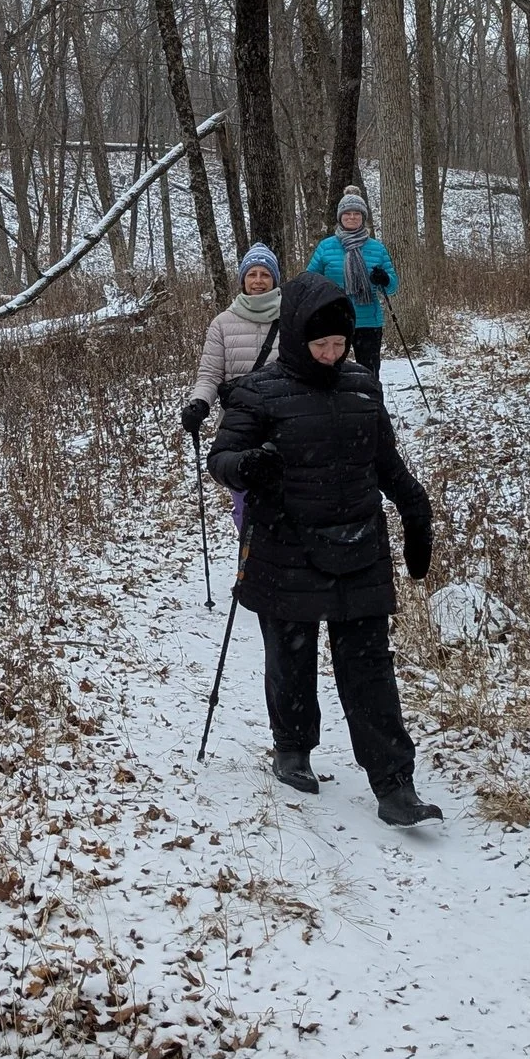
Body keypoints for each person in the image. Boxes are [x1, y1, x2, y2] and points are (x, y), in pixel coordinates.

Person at [208, 270, 440, 827]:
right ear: (296, 338)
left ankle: (394, 785)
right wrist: (247, 467)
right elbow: (222, 458)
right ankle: (292, 749)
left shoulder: (362, 386)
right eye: (322, 344)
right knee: (291, 656)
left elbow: (384, 460)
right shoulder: (260, 393)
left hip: (359, 545)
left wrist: (415, 507)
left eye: (340, 343)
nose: (333, 354)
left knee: (369, 668)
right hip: (285, 546)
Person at [181, 244, 285, 538]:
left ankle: (284, 560)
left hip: (284, 418)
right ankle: (250, 554)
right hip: (239, 422)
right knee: (243, 495)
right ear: (242, 280)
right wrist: (199, 403)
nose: (258, 280)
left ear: (275, 280)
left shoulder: (292, 319)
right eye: (252, 274)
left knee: (285, 492)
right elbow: (210, 373)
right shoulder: (222, 324)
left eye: (265, 274)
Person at [306, 184, 397, 372]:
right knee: (332, 371)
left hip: (368, 321)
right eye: (347, 213)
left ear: (363, 217)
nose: (352, 217)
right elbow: (309, 280)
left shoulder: (377, 248)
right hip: (334, 319)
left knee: (369, 372)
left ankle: (369, 402)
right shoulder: (326, 246)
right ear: (340, 217)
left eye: (357, 214)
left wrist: (384, 279)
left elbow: (393, 287)